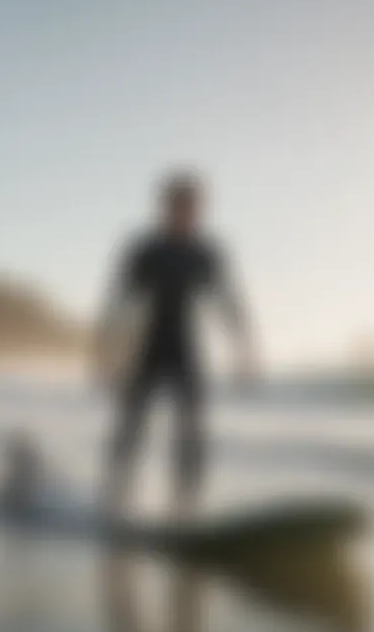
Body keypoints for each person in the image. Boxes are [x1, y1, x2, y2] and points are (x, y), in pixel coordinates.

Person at [95, 170, 257, 517]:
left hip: (185, 347)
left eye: (193, 206)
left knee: (193, 428)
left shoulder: (205, 253)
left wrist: (244, 352)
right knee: (132, 424)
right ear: (164, 207)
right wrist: (105, 356)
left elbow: (228, 303)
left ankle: (186, 506)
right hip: (146, 347)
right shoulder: (145, 251)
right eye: (179, 205)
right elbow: (119, 304)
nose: (186, 212)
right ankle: (115, 496)